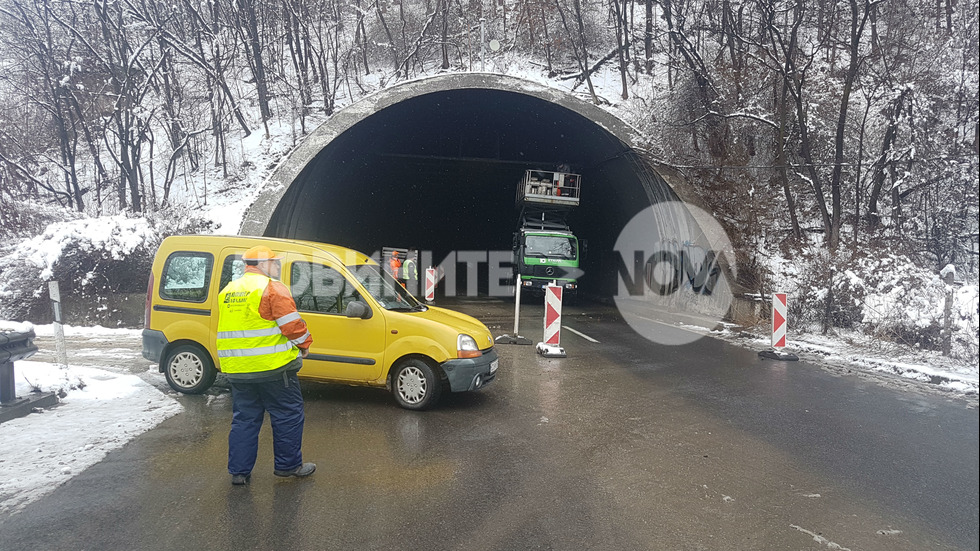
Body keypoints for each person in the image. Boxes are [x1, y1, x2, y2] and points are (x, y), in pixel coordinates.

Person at [217, 245, 315, 485]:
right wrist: (305, 345)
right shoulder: (272, 288)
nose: (277, 266)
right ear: (261, 264)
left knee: (245, 419)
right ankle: (288, 466)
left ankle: (239, 473)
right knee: (287, 415)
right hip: (274, 368)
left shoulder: (228, 291)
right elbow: (292, 325)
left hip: (238, 370)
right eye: (274, 262)